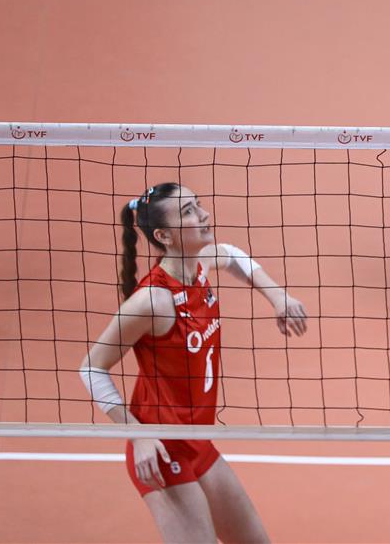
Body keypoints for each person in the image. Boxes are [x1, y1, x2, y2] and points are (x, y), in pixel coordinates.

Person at [79, 183, 308, 542]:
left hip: (198, 441)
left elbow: (234, 256)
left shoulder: (200, 265)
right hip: (162, 448)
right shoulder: (152, 302)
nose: (203, 215)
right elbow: (91, 368)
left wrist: (278, 297)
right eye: (188, 212)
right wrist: (138, 436)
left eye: (198, 205)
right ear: (163, 236)